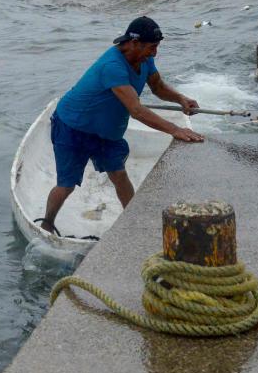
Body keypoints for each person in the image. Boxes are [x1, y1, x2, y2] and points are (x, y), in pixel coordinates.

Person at [41, 16, 203, 235]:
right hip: (73, 128)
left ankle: (135, 221)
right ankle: (47, 223)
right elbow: (135, 110)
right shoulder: (112, 66)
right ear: (134, 43)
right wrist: (175, 130)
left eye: (157, 47)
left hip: (106, 132)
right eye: (151, 47)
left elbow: (157, 86)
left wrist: (180, 99)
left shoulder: (144, 59)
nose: (155, 53)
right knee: (66, 185)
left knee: (119, 175)